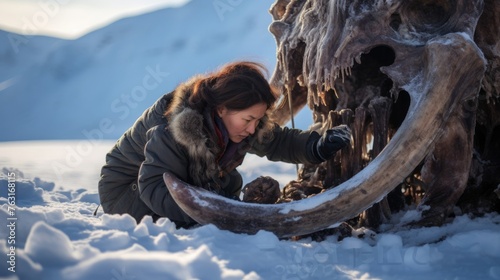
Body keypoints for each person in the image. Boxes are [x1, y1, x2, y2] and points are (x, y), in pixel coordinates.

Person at [98, 61, 351, 228]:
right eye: (248, 119)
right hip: (126, 195)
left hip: (166, 185)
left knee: (228, 186)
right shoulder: (174, 128)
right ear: (221, 109)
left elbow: (277, 141)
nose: (252, 128)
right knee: (226, 191)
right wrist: (215, 212)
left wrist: (317, 147)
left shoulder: (235, 121)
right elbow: (153, 185)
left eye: (258, 119)